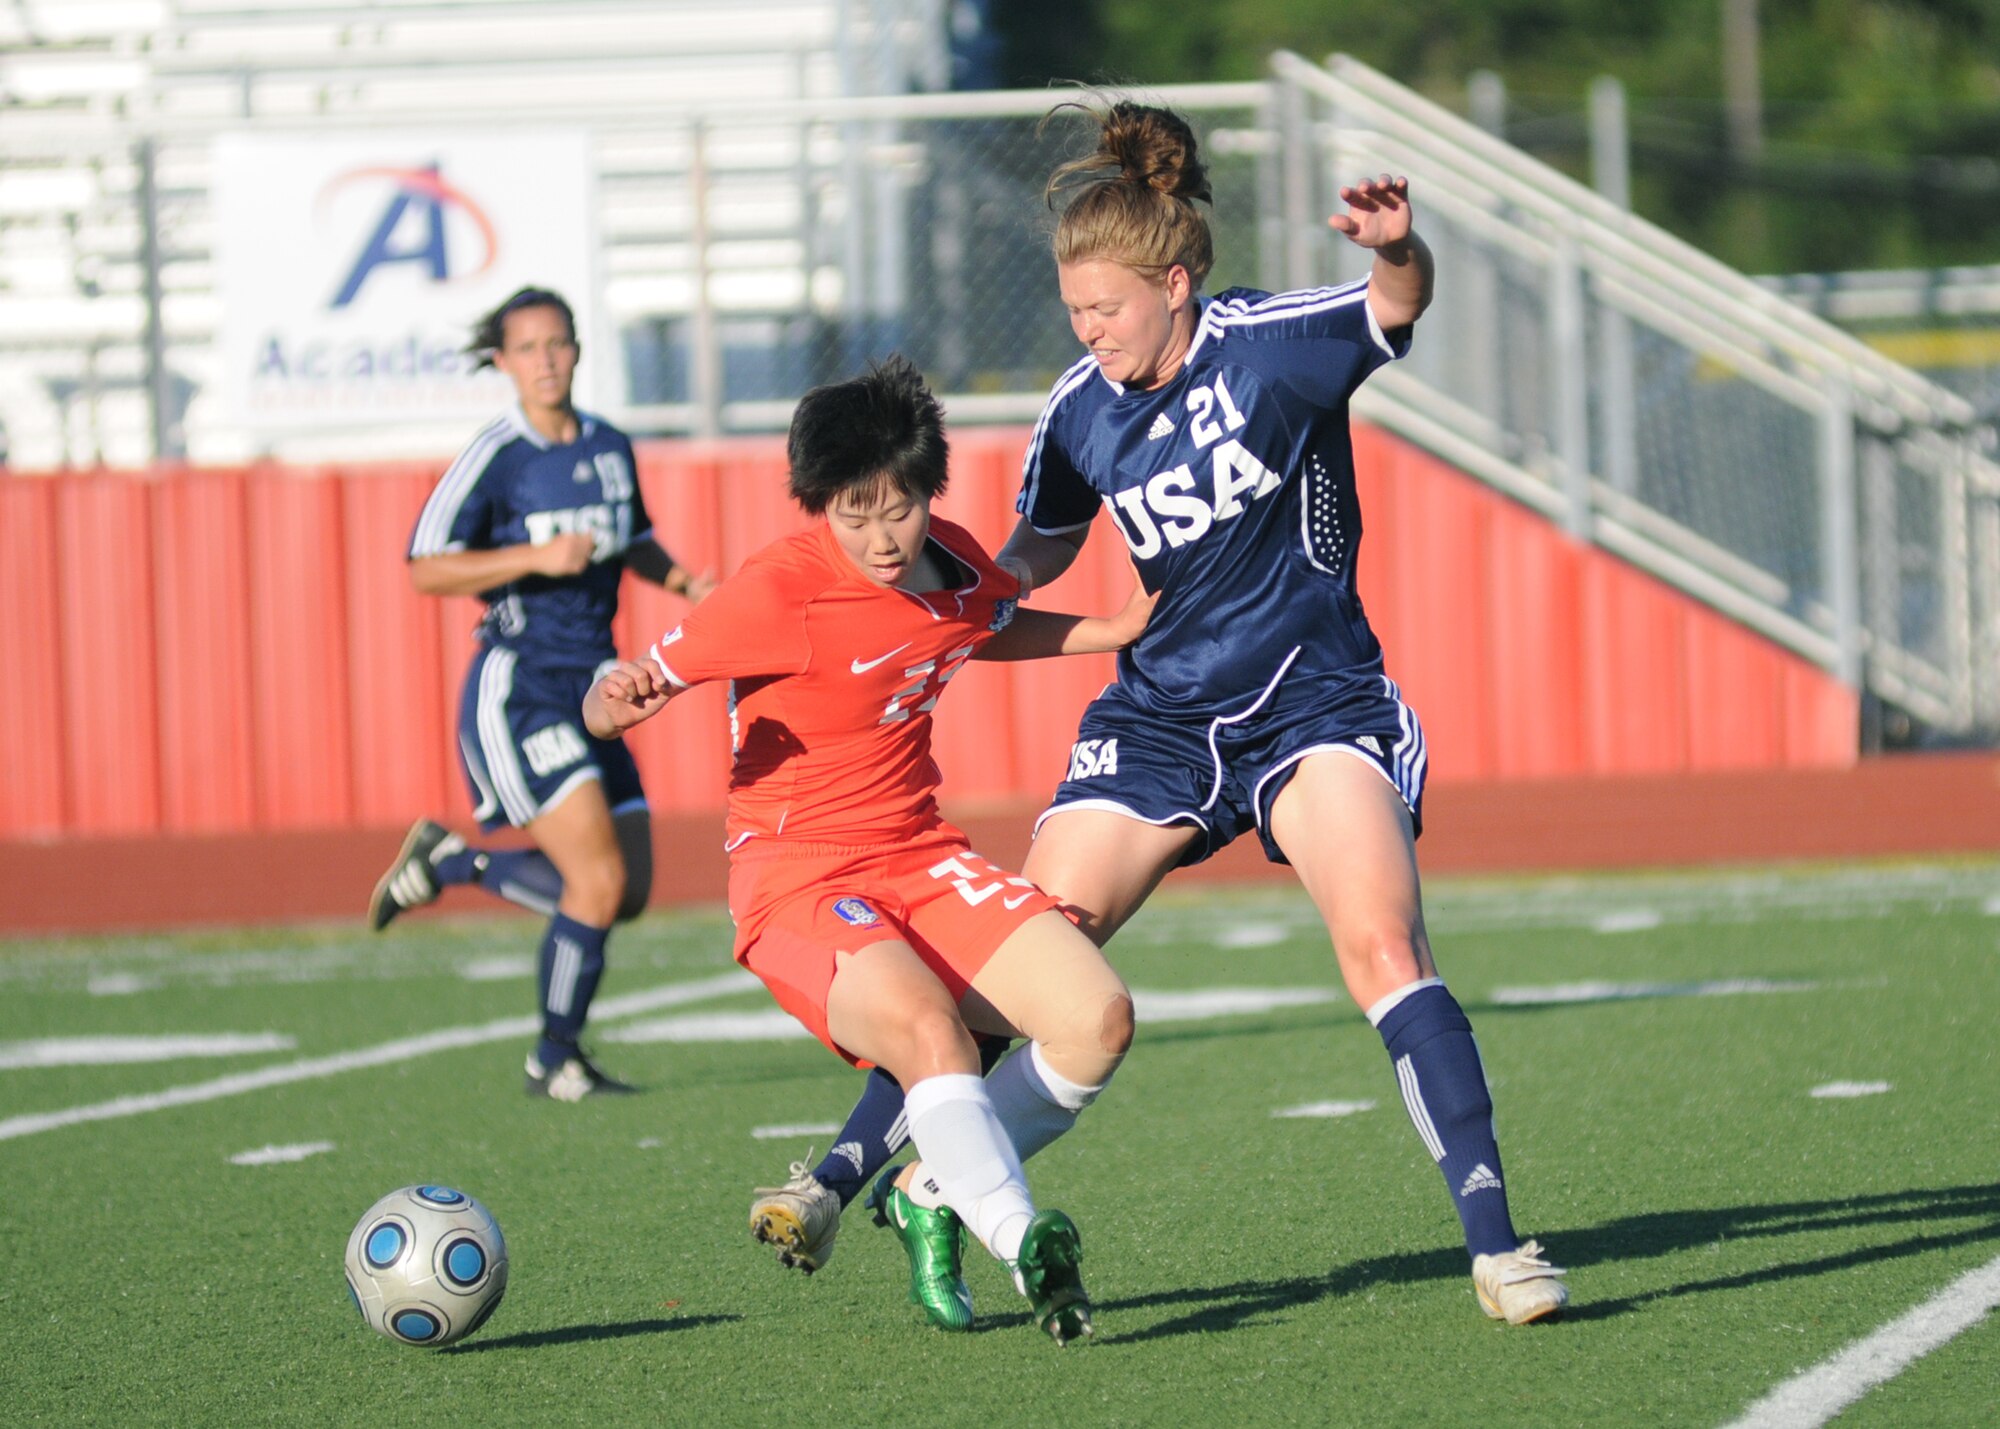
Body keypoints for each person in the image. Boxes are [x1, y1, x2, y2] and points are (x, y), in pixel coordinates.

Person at [757, 100, 1570, 1326]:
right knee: (1021, 961)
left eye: (1108, 309)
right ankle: (852, 1175)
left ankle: (1498, 1248)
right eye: (1074, 310)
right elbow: (1025, 559)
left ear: (1176, 282)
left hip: (1313, 701)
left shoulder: (1273, 345)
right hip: (1155, 722)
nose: (1087, 332)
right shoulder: (1080, 408)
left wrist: (1395, 245)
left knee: (1384, 951)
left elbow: (1395, 303)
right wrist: (929, 601)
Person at [584, 356, 1148, 1345]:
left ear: (929, 492)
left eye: (896, 509)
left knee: (1095, 1019)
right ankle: (1025, 1246)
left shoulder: (959, 561)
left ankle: (930, 1194)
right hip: (797, 879)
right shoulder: (778, 592)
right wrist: (614, 698)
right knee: (932, 1032)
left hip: (918, 853)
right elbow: (634, 683)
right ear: (819, 506)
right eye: (852, 513)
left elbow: (981, 625)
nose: (879, 538)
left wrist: (1114, 626)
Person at [367, 285, 714, 1102]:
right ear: (502, 361)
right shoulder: (498, 453)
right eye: (528, 348)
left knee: (625, 891)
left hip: (597, 680)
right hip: (521, 684)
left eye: (557, 343)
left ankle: (457, 861)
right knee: (591, 883)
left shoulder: (608, 443)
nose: (546, 359)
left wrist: (686, 580)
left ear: (578, 350)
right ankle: (554, 1057)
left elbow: (631, 541)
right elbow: (424, 565)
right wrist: (531, 558)